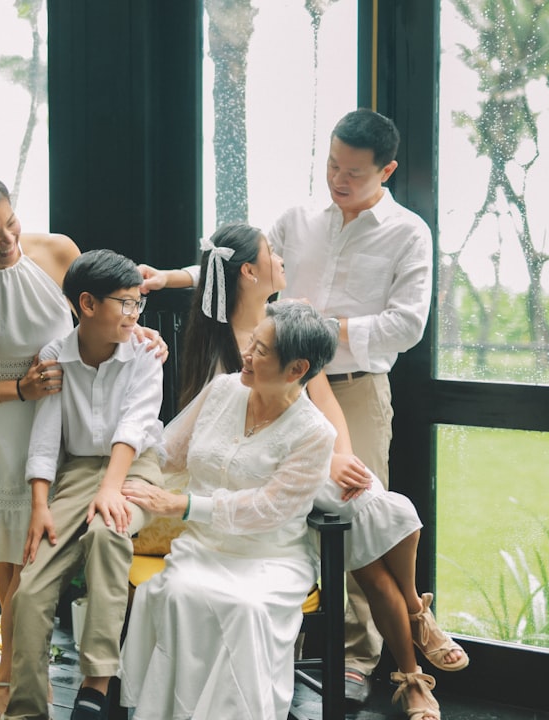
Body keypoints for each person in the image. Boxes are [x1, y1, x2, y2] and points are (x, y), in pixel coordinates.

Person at [138, 108, 435, 703]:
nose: (338, 179)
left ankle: (371, 653)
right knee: (347, 521)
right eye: (331, 164)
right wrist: (168, 278)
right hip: (281, 377)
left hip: (348, 384)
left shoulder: (409, 232)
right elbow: (230, 268)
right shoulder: (298, 222)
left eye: (353, 171)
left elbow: (407, 326)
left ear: (387, 171)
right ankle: (398, 628)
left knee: (362, 513)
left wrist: (314, 333)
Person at [0, 172, 164, 720]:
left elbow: (98, 315)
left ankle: (60, 677)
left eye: (12, 223)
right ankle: (15, 677)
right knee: (14, 557)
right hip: (5, 421)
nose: (9, 240)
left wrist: (138, 330)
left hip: (69, 425)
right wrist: (19, 388)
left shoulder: (56, 253)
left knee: (55, 554)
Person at [118, 299, 338, 719]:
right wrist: (118, 472)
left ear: (297, 369)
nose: (247, 355)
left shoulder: (315, 434)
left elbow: (267, 509)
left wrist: (181, 504)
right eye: (251, 342)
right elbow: (168, 452)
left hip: (269, 557)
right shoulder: (222, 390)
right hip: (203, 548)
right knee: (177, 594)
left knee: (245, 609)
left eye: (261, 350)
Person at [4, 249, 165, 720]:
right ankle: (26, 708)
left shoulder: (144, 352)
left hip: (135, 467)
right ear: (88, 304)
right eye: (126, 303)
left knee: (107, 531)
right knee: (30, 590)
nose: (135, 315)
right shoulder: (56, 357)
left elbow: (134, 427)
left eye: (139, 304)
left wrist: (112, 489)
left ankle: (96, 684)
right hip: (75, 472)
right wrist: (40, 504)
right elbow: (46, 436)